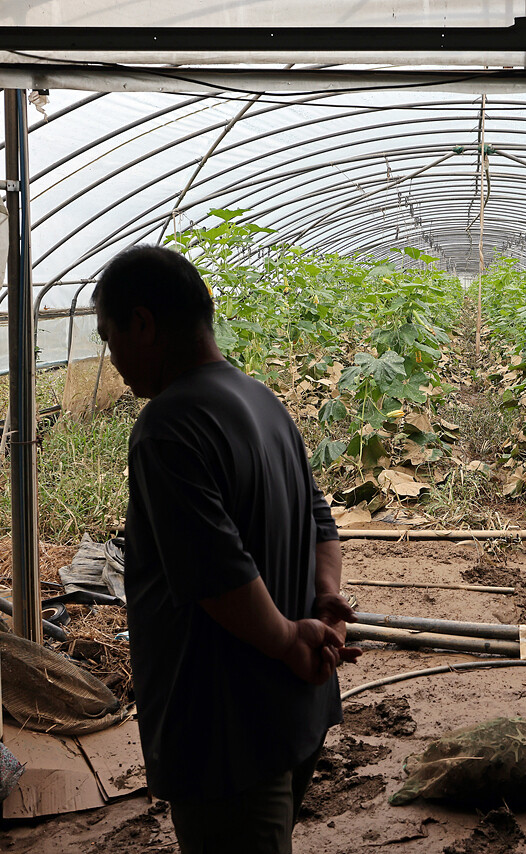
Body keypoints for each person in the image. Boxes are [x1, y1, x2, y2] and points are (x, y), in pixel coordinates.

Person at [93, 245, 359, 854]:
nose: (114, 360)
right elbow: (322, 521)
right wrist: (324, 600)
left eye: (110, 338)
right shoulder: (264, 400)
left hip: (227, 735)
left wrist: (289, 638)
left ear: (143, 324)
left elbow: (218, 573)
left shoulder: (169, 425)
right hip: (296, 711)